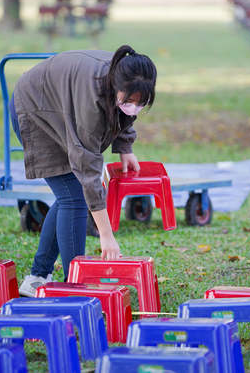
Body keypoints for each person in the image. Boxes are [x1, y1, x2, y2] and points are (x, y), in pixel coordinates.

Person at [10, 45, 156, 297]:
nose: (134, 107)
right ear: (116, 86)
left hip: (61, 102)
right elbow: (88, 171)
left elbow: (122, 115)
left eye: (140, 103)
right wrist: (106, 235)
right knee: (74, 197)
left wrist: (125, 146)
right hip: (36, 107)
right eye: (129, 101)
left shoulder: (127, 75)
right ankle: (74, 286)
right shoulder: (92, 101)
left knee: (69, 195)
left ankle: (37, 276)